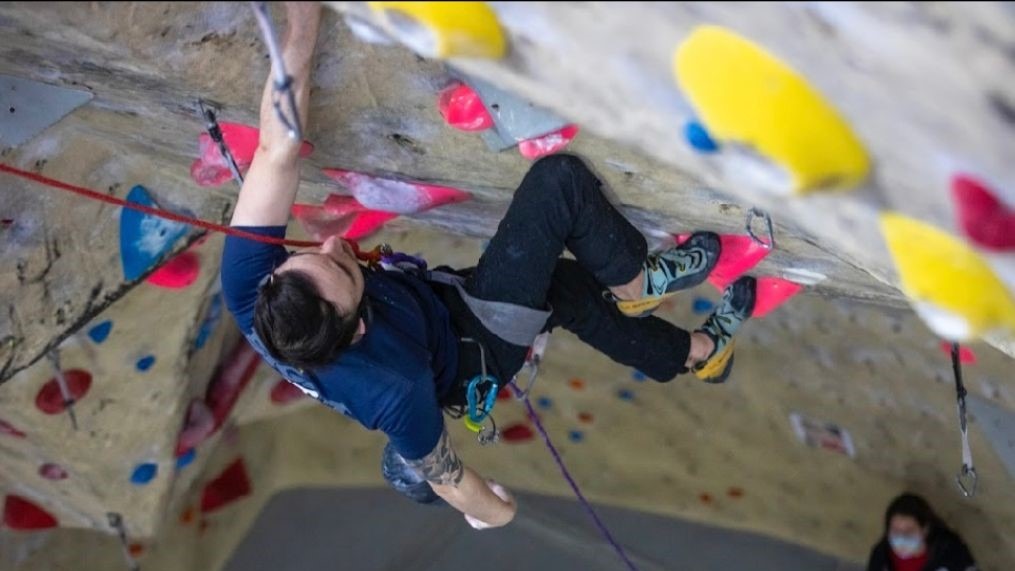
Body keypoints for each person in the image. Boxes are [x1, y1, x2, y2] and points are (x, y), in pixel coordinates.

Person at [220, 1, 757, 530]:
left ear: (271, 279)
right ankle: (638, 281)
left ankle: (700, 354)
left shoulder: (250, 288)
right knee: (558, 186)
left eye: (305, 258)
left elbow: (276, 153)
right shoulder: (392, 389)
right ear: (358, 328)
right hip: (478, 345)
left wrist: (302, 19)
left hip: (442, 309)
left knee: (566, 291)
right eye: (343, 269)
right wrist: (495, 512)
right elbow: (451, 481)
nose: (333, 245)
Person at [866, 493, 978, 571]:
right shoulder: (881, 556)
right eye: (895, 531)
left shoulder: (951, 553)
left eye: (909, 531)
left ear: (925, 529)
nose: (901, 538)